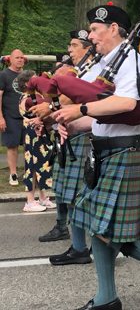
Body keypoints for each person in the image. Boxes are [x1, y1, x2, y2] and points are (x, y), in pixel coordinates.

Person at [54, 4, 140, 310]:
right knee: (100, 226)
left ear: (113, 28)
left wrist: (81, 109)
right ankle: (113, 295)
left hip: (124, 152)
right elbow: (103, 116)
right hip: (105, 153)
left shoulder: (132, 61)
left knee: (105, 228)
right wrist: (70, 123)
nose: (91, 36)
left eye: (96, 30)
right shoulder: (107, 64)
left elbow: (126, 104)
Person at [33, 31, 95, 267]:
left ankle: (105, 246)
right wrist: (48, 120)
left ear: (88, 49)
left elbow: (69, 100)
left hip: (88, 139)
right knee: (71, 196)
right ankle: (79, 248)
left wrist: (48, 110)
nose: (69, 50)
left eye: (74, 45)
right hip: (72, 138)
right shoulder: (78, 72)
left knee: (81, 197)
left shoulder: (93, 73)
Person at [14, 70, 56, 212]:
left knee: (41, 165)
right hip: (32, 134)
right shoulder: (29, 98)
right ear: (27, 83)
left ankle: (42, 197)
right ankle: (30, 200)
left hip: (37, 133)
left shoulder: (28, 96)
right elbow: (48, 104)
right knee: (32, 166)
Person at [0, 49, 25, 186]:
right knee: (12, 146)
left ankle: (29, 173)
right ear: (10, 59)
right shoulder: (4, 75)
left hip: (27, 117)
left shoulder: (27, 75)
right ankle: (13, 174)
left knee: (29, 146)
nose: (20, 60)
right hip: (10, 116)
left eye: (21, 57)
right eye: (17, 57)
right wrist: (1, 118)